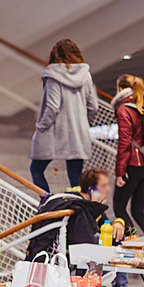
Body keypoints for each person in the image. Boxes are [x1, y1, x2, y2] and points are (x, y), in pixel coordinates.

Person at [29, 39, 99, 192]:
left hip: (54, 133)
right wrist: (83, 122)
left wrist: (41, 125)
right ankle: (79, 206)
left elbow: (53, 107)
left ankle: (48, 202)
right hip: (78, 134)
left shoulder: (53, 75)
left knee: (36, 170)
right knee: (76, 179)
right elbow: (93, 106)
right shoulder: (85, 75)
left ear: (55, 56)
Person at [111, 74, 144, 234]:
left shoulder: (124, 109)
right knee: (138, 211)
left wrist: (120, 172)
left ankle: (131, 240)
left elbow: (124, 143)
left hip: (133, 165)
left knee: (119, 207)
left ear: (120, 89)